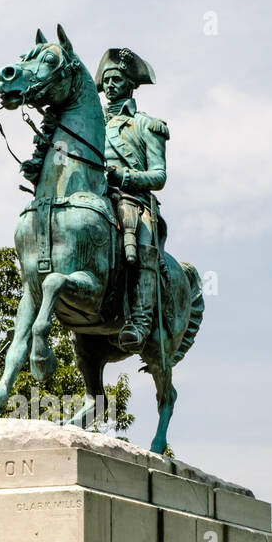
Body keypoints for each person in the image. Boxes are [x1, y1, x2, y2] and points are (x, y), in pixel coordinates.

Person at [93, 48, 170, 351]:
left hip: (133, 199)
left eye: (116, 80)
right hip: (95, 194)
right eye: (107, 80)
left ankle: (140, 319)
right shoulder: (90, 122)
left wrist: (123, 177)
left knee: (143, 238)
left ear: (130, 84)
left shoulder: (146, 125)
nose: (110, 86)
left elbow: (159, 176)